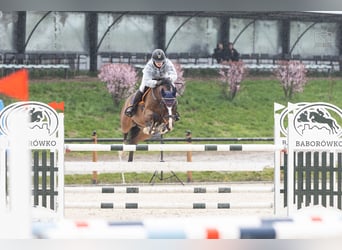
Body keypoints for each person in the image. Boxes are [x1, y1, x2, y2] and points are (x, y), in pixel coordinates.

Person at [125, 49, 180, 120]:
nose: (159, 63)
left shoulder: (168, 62)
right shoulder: (149, 66)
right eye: (157, 61)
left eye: (161, 61)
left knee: (173, 89)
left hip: (165, 79)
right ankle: (133, 107)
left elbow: (174, 75)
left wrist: (169, 79)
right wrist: (157, 83)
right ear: (153, 60)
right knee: (142, 88)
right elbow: (147, 81)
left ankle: (174, 111)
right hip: (151, 80)